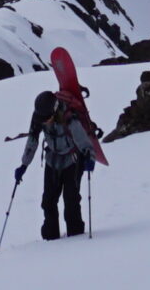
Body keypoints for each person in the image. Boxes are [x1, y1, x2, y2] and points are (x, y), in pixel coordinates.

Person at [15, 87, 97, 239]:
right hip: (52, 160)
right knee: (48, 201)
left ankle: (76, 236)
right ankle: (50, 238)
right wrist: (24, 165)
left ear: (54, 111)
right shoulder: (39, 116)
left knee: (71, 200)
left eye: (46, 118)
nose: (43, 121)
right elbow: (32, 139)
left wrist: (89, 157)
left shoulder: (69, 117)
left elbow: (82, 140)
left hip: (72, 160)